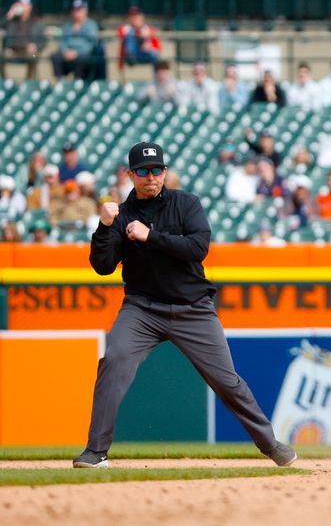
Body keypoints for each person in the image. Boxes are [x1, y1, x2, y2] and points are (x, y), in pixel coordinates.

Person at [73, 141, 296, 468]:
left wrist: (150, 236)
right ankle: (96, 451)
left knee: (227, 381)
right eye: (144, 171)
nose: (151, 177)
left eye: (157, 170)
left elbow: (197, 248)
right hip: (142, 308)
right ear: (131, 175)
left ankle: (271, 445)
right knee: (114, 361)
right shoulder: (121, 215)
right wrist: (104, 227)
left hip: (192, 308)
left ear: (165, 171)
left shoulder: (186, 203)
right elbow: (103, 265)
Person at [51, 0, 98, 81]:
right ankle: (61, 82)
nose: (76, 13)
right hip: (67, 54)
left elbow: (91, 45)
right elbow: (62, 41)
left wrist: (76, 53)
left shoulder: (91, 25)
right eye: (74, 10)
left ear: (85, 11)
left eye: (79, 10)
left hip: (83, 55)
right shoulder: (67, 24)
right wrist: (65, 51)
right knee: (55, 56)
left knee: (81, 59)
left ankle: (78, 82)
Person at [1, 0, 45, 79]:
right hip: (12, 51)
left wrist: (36, 46)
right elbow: (1, 25)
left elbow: (43, 40)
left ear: (29, 7)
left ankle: (29, 82)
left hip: (30, 52)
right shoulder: (12, 20)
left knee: (36, 56)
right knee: (1, 56)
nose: (21, 6)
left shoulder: (37, 21)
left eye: (23, 4)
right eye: (19, 4)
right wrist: (10, 14)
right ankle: (6, 83)